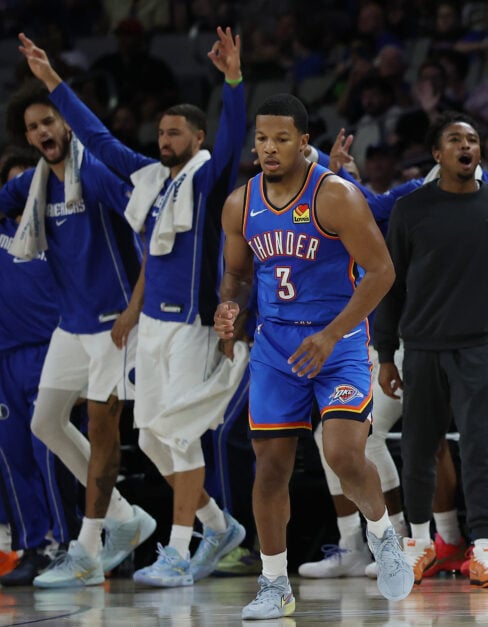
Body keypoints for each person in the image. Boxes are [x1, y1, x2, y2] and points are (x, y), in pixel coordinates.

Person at [19, 29, 249, 587]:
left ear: (198, 137)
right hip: (150, 328)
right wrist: (52, 81)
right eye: (162, 131)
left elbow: (236, 131)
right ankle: (219, 527)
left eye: (176, 132)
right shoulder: (151, 179)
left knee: (176, 437)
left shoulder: (207, 179)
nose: (165, 138)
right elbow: (95, 138)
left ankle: (176, 550)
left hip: (191, 327)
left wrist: (234, 81)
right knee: (148, 437)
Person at [213, 93, 411, 619]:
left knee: (343, 454)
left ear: (304, 142)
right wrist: (228, 308)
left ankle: (383, 535)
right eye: (261, 139)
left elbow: (382, 272)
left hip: (339, 342)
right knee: (270, 469)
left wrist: (330, 334)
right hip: (276, 347)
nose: (269, 148)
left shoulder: (337, 196)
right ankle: (275, 585)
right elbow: (236, 275)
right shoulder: (240, 202)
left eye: (281, 138)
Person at [0, 78, 154, 588]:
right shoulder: (35, 182)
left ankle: (87, 550)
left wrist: (135, 309)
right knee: (45, 423)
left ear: (65, 122)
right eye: (32, 127)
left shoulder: (98, 174)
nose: (42, 131)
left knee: (105, 435)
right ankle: (126, 517)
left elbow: (152, 234)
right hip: (71, 326)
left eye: (48, 120)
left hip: (114, 325)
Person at [374, 111, 488, 589]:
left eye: (473, 140)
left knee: (481, 448)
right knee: (418, 449)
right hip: (420, 348)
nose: (467, 146)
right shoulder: (411, 210)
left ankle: (484, 547)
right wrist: (385, 353)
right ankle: (420, 544)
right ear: (438, 154)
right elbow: (390, 287)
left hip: (481, 348)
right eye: (456, 140)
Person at [0, 211, 68, 586]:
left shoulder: (55, 231)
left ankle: (70, 542)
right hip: (5, 357)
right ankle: (31, 546)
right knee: (14, 456)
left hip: (51, 349)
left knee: (52, 452)